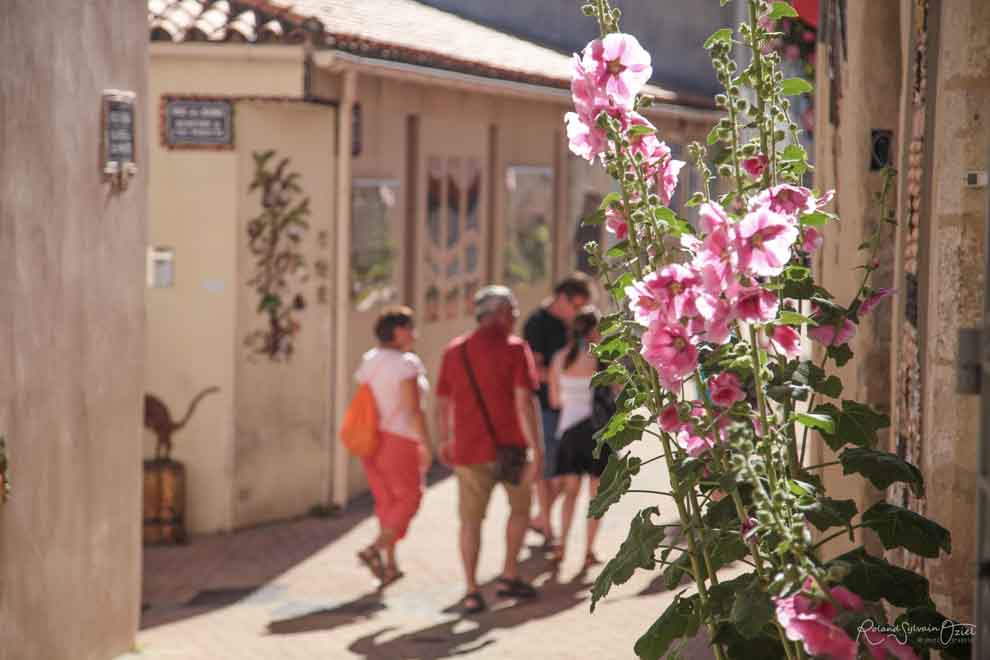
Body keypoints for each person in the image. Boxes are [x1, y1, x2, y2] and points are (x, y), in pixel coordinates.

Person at [434, 285, 544, 614]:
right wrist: (537, 450)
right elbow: (524, 403)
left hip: (468, 448)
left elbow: (442, 402)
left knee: (470, 521)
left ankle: (471, 590)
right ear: (498, 315)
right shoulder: (515, 349)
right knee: (521, 511)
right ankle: (509, 575)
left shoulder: (455, 351)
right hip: (511, 447)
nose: (514, 319)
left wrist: (445, 439)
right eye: (512, 312)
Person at [355, 306, 432, 587]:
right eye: (410, 327)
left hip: (371, 439)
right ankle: (375, 549)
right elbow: (414, 410)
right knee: (411, 497)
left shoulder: (370, 360)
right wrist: (426, 443)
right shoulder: (406, 364)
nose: (414, 333)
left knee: (387, 501)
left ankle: (389, 564)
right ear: (398, 331)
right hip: (400, 439)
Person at [522, 273, 592, 544]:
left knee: (568, 475)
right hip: (546, 408)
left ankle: (541, 519)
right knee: (549, 468)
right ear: (561, 297)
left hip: (572, 407)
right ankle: (546, 524)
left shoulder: (573, 323)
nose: (577, 312)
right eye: (574, 306)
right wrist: (561, 375)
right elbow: (534, 370)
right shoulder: (536, 324)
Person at [547, 307, 611, 569]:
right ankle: (588, 551)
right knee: (596, 497)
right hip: (596, 432)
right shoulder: (601, 359)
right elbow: (614, 393)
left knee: (570, 494)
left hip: (568, 431)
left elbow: (553, 400)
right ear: (594, 330)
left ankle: (561, 542)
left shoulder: (559, 358)